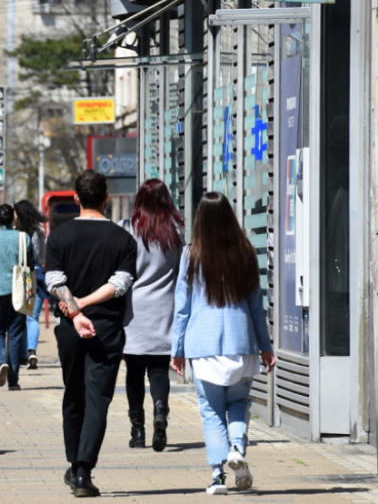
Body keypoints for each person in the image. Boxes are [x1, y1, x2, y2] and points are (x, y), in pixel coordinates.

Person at [171, 192, 275, 495]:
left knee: (211, 410)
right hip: (241, 344)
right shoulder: (245, 252)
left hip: (203, 347)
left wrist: (176, 349)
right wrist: (266, 347)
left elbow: (183, 308)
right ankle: (237, 450)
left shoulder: (191, 254)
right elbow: (257, 306)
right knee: (239, 403)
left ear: (200, 220)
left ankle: (217, 476)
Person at [45, 169, 137, 497]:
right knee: (98, 399)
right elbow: (120, 284)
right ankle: (83, 470)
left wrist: (75, 310)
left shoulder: (59, 236)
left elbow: (54, 281)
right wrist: (84, 307)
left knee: (74, 394)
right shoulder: (123, 239)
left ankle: (74, 464)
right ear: (106, 199)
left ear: (76, 198)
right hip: (107, 328)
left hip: (70, 328)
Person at [121, 179, 184, 452]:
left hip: (134, 310)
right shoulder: (175, 232)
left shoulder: (128, 229)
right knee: (159, 370)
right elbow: (182, 271)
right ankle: (161, 410)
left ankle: (138, 431)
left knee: (134, 372)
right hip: (164, 309)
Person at [0, 203, 33, 390]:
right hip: (20, 291)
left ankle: (1, 360)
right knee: (16, 335)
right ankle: (13, 381)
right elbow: (31, 264)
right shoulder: (23, 237)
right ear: (13, 218)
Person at [14, 200, 46, 370]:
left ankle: (21, 354)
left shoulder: (15, 233)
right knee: (33, 317)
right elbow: (42, 255)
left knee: (20, 315)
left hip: (20, 274)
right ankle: (32, 350)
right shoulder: (38, 232)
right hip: (37, 274)